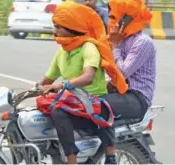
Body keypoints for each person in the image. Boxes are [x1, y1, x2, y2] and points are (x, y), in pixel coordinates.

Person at [36, 1, 129, 164]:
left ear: (71, 27)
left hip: (93, 100)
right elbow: (46, 80)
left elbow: (88, 77)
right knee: (40, 111)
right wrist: (35, 88)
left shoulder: (88, 47)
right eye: (54, 26)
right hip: (72, 101)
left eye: (59, 26)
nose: (55, 30)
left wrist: (61, 85)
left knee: (58, 113)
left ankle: (73, 160)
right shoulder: (62, 52)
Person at [103, 0, 156, 154]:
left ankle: (109, 155)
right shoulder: (118, 40)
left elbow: (123, 72)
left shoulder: (142, 42)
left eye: (114, 17)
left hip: (136, 98)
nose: (110, 21)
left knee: (95, 106)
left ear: (125, 19)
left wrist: (115, 46)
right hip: (119, 92)